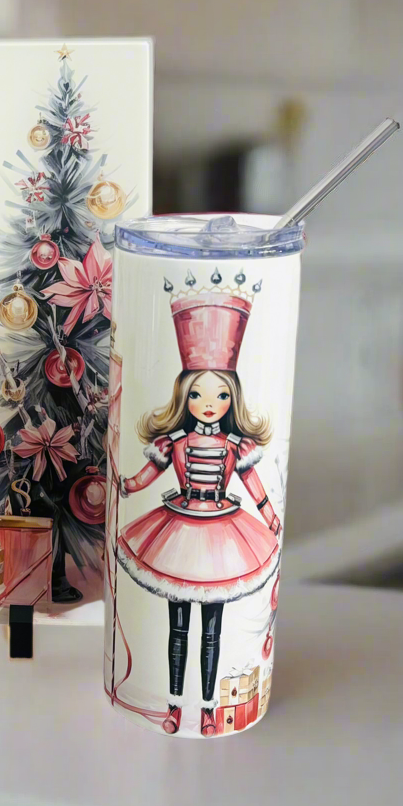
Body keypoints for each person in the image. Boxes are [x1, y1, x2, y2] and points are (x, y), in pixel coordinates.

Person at [116, 286, 280, 736]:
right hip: (179, 532)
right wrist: (125, 485)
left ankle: (207, 709)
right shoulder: (174, 442)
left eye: (221, 396)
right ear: (185, 396)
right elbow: (146, 476)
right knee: (177, 628)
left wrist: (269, 516)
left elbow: (253, 484)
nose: (209, 404)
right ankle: (174, 705)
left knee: (212, 630)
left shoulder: (236, 445)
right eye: (199, 395)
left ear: (232, 399)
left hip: (222, 534)